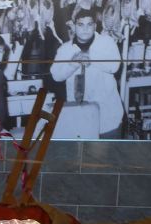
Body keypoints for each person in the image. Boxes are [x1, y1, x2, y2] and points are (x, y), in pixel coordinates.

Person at [51, 8, 124, 137]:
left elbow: (114, 66)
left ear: (95, 26)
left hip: (107, 114)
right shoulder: (65, 49)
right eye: (80, 24)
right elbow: (56, 75)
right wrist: (72, 64)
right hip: (80, 116)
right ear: (74, 26)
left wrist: (91, 57)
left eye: (89, 24)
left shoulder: (107, 42)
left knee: (109, 155)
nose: (85, 29)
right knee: (87, 154)